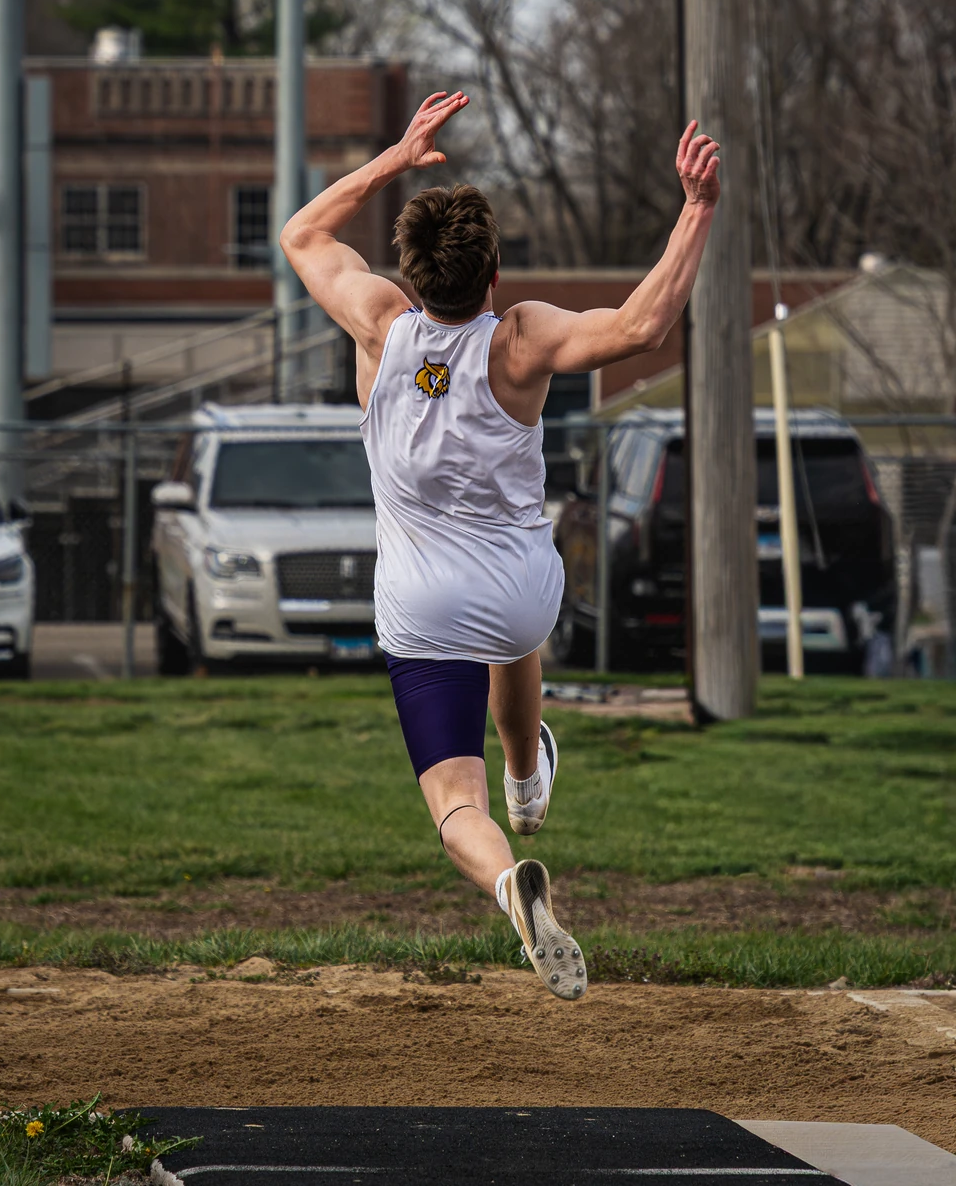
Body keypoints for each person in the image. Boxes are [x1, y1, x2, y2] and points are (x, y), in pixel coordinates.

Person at [280, 91, 720, 1000]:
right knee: (513, 637)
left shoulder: (379, 324)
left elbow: (303, 235)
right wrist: (696, 209)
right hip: (521, 594)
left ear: (411, 272)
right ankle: (527, 776)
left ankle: (508, 881)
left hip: (420, 606)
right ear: (493, 277)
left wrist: (397, 157)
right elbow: (642, 325)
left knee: (452, 802)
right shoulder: (518, 340)